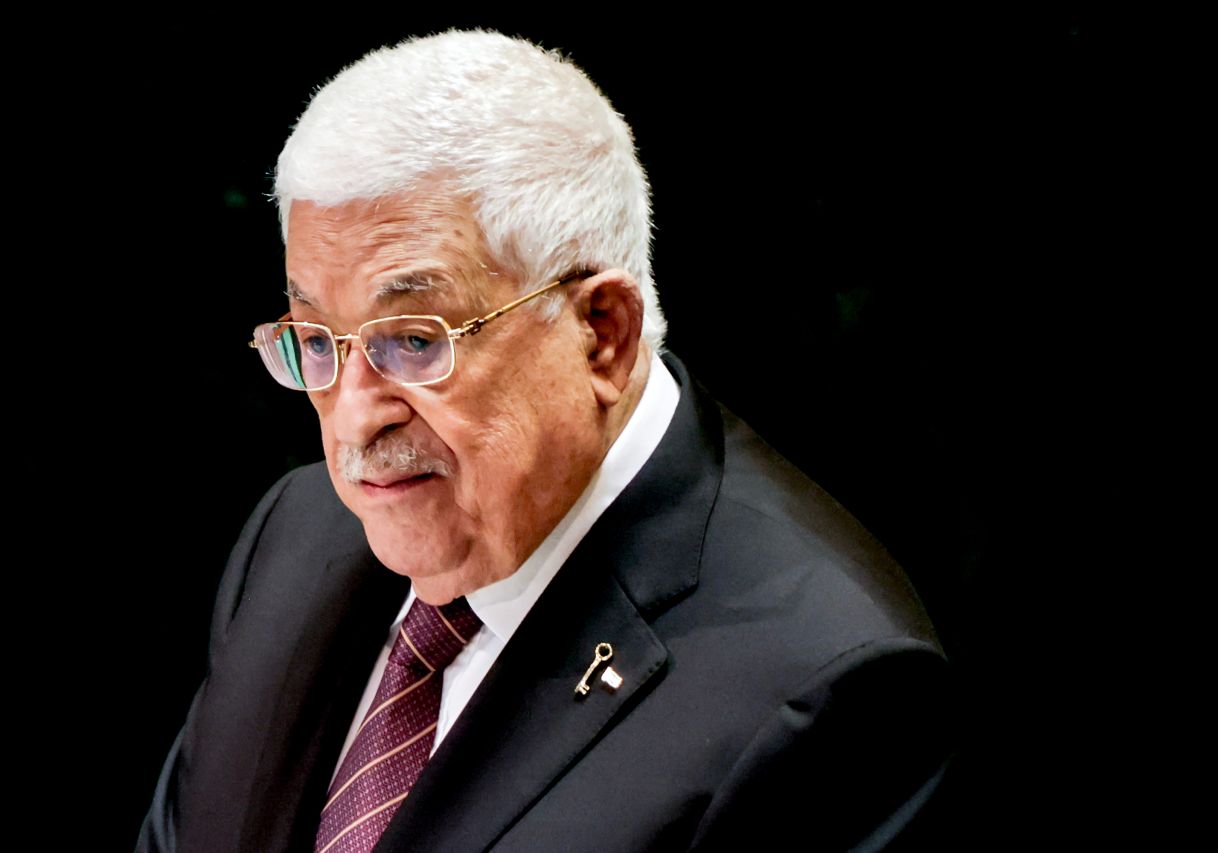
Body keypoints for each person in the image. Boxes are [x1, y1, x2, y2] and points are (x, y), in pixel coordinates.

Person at [137, 30, 951, 852]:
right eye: (316, 340)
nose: (352, 418)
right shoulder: (297, 531)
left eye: (415, 341)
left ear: (602, 334)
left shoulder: (821, 693)